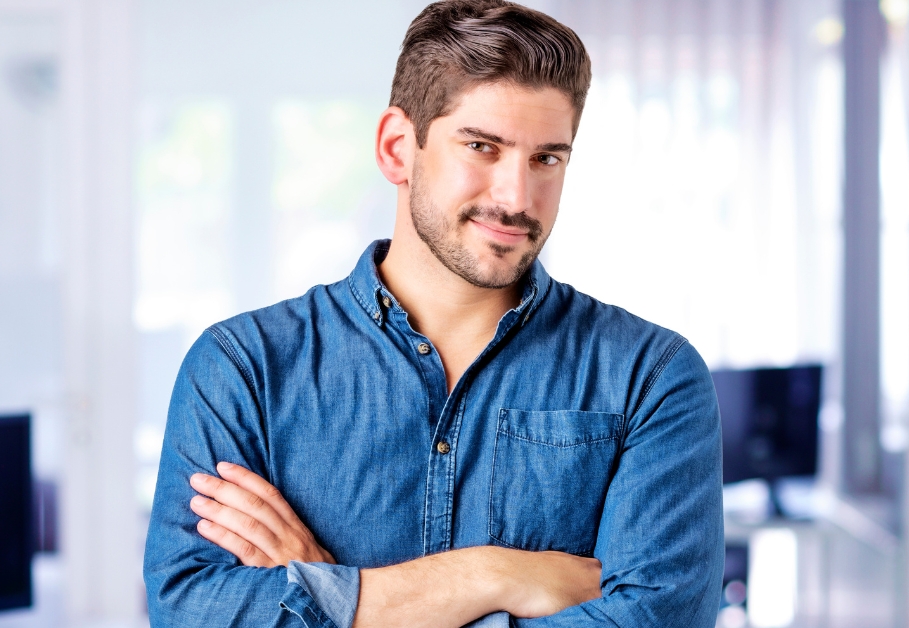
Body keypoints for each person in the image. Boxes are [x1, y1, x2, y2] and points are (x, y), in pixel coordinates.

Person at [143, 1, 724, 626]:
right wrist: (490, 576)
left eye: (547, 159)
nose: (517, 197)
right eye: (482, 146)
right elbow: (191, 612)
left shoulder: (653, 377)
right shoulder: (244, 368)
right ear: (398, 148)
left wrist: (328, 592)